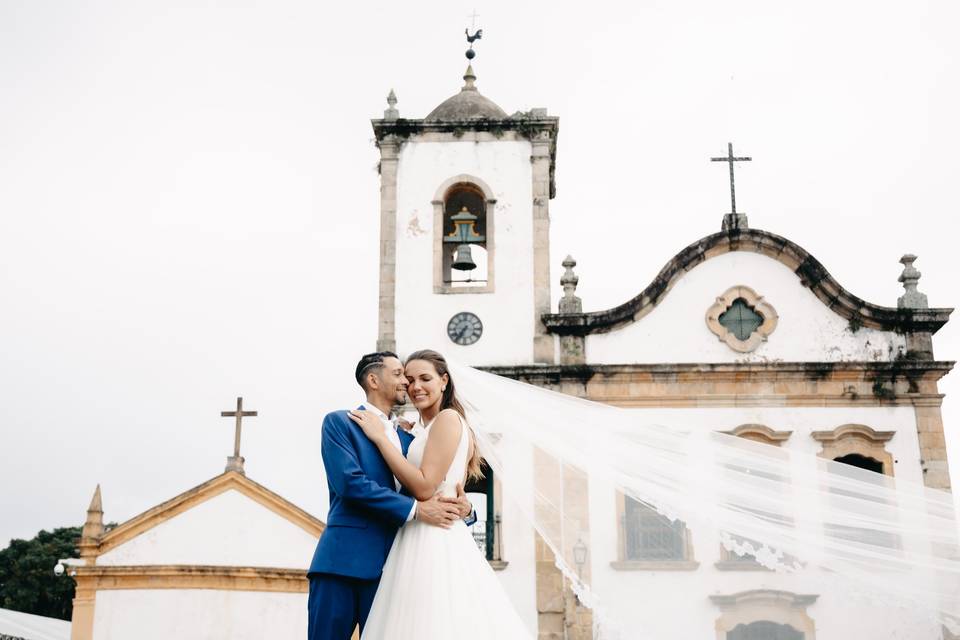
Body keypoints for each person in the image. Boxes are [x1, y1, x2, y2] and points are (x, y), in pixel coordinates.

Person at [348, 349, 533, 639]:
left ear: (444, 381)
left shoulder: (448, 419)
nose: (416, 386)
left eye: (425, 378)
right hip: (416, 533)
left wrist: (382, 439)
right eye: (408, 379)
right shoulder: (422, 429)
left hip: (434, 535)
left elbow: (424, 487)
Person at [306, 351, 474, 640]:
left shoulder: (412, 439)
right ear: (373, 379)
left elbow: (432, 485)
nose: (407, 384)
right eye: (400, 375)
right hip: (343, 564)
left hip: (398, 569)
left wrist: (466, 509)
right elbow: (350, 484)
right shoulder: (340, 423)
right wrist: (417, 510)